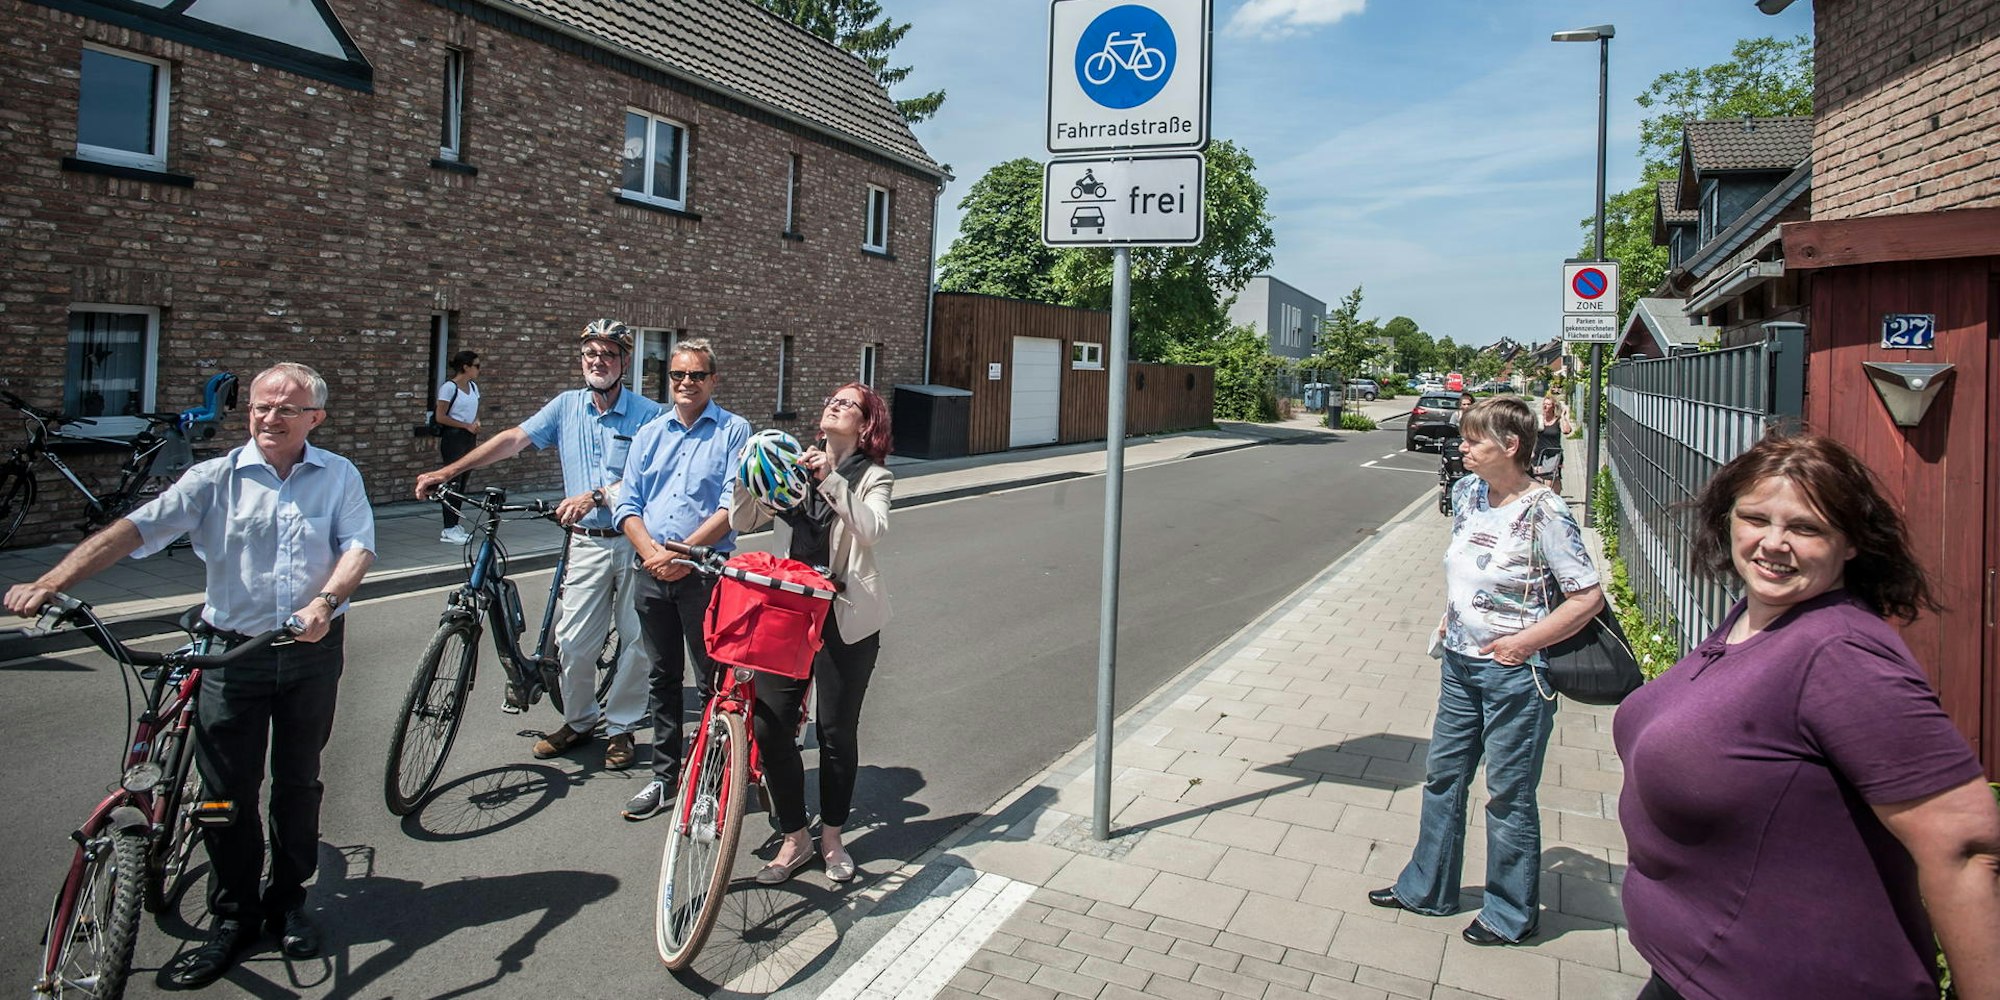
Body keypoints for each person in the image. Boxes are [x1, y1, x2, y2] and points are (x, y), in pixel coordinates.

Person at [5, 363, 376, 987]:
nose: (269, 417)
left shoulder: (338, 475)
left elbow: (357, 546)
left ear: (315, 417)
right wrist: (49, 582)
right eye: (260, 406)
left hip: (309, 649)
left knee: (296, 782)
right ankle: (233, 918)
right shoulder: (215, 478)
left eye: (286, 409)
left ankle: (288, 902)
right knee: (223, 795)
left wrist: (327, 601)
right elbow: (134, 531)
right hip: (231, 653)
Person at [1613, 434, 2000, 1000]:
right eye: (1755, 518)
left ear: (1850, 543)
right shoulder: (1759, 614)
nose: (1773, 543)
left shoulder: (1841, 654)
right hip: (1695, 973)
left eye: (1806, 528)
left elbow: (1964, 845)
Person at [1369, 395, 1604, 945]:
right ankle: (1427, 889)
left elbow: (1585, 597)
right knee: (1443, 777)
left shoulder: (1546, 512)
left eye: (1474, 439)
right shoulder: (1470, 492)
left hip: (1516, 675)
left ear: (1511, 446)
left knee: (1508, 794)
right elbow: (1467, 567)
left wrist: (1523, 644)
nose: (1463, 446)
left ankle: (1510, 913)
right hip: (1459, 663)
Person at [415, 320, 661, 767]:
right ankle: (581, 719)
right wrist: (449, 472)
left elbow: (654, 477)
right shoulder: (567, 407)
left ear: (625, 361)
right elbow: (514, 439)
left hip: (633, 541)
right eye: (590, 354)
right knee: (573, 641)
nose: (598, 362)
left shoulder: (650, 414)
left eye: (608, 354)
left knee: (636, 640)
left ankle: (622, 727)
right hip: (586, 543)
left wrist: (598, 494)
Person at [733, 383, 895, 884]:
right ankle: (795, 835)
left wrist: (830, 481)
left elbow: (870, 530)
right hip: (788, 613)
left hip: (845, 618)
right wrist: (747, 474)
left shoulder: (874, 477)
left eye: (848, 403)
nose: (835, 405)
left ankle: (832, 836)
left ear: (867, 423)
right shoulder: (791, 467)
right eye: (833, 399)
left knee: (834, 732)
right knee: (769, 725)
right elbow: (743, 519)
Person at [612, 337, 750, 820]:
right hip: (651, 571)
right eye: (677, 375)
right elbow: (627, 503)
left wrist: (684, 555)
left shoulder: (735, 431)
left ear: (713, 379)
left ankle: (711, 781)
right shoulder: (651, 433)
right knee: (661, 677)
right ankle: (663, 777)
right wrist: (652, 553)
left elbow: (734, 506)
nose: (686, 383)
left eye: (696, 375)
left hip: (703, 575)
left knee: (713, 680)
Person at [435, 350, 482, 545]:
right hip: (453, 438)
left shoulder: (473, 387)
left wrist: (476, 422)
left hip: (469, 437)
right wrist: (464, 425)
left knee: (462, 482)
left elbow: (474, 410)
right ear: (466, 367)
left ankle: (455, 523)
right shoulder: (449, 388)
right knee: (452, 482)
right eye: (476, 366)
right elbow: (440, 416)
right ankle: (448, 527)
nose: (479, 370)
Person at [1531, 391, 1573, 494]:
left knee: (1550, 480)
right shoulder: (1539, 420)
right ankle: (1548, 497)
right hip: (1539, 452)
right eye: (1544, 404)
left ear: (1553, 407)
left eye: (1548, 404)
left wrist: (1563, 416)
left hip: (1553, 453)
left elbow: (1566, 431)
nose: (1545, 406)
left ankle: (1554, 497)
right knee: (1540, 478)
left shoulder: (1558, 420)